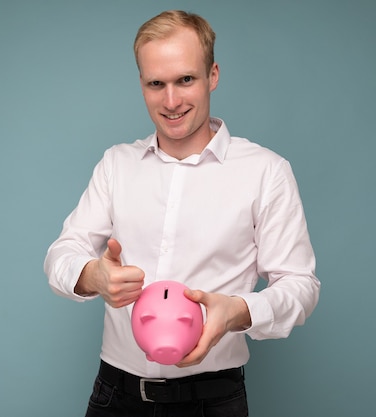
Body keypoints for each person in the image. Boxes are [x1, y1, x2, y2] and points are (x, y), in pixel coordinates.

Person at [44, 9, 320, 416]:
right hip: (115, 396)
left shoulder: (266, 171)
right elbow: (61, 254)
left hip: (213, 399)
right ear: (141, 85)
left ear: (213, 76)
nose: (171, 101)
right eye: (157, 84)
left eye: (185, 80)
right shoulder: (117, 164)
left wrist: (239, 311)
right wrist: (93, 276)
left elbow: (300, 285)